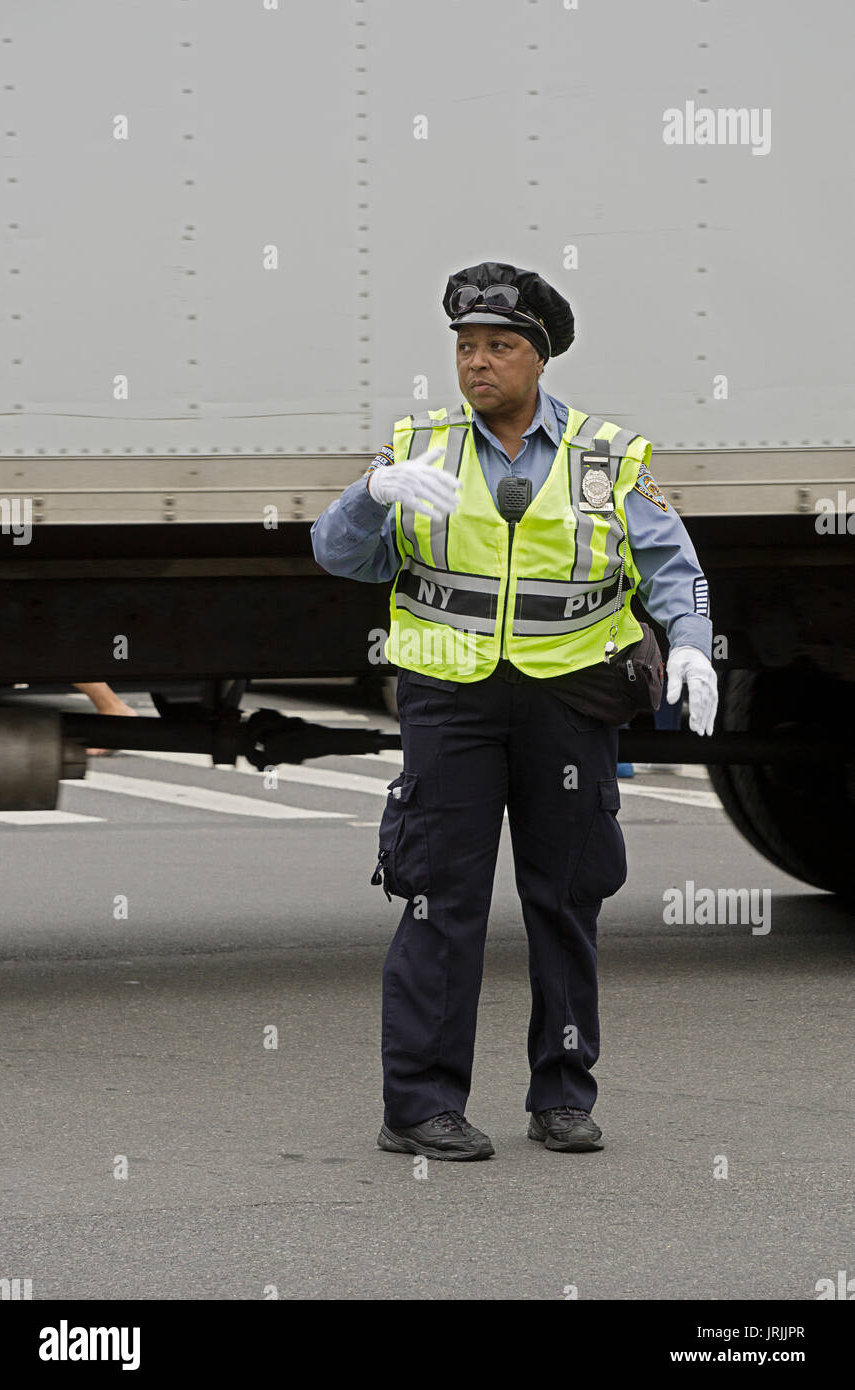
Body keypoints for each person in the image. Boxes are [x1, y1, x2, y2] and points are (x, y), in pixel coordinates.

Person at [311, 261, 717, 1161]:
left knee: (567, 896)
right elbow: (338, 557)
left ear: (538, 359)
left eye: (498, 346)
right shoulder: (419, 446)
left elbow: (669, 563)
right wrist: (368, 497)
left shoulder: (606, 455)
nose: (477, 363)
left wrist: (690, 636)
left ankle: (563, 1096)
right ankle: (419, 1106)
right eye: (465, 346)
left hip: (569, 698)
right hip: (450, 697)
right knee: (436, 898)